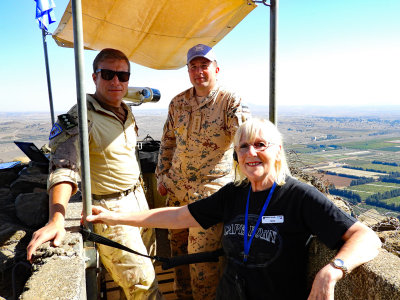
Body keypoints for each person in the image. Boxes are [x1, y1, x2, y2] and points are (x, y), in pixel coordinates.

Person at [87, 118, 381, 300]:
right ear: (236, 156)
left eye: (260, 145)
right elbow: (178, 216)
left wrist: (331, 271)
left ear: (277, 151)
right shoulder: (234, 194)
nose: (251, 153)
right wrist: (115, 216)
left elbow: (366, 237)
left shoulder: (298, 195)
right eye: (243, 147)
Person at [26, 48, 163, 300]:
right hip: (109, 210)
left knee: (144, 273)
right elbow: (63, 167)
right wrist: (56, 219)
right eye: (108, 74)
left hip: (138, 201)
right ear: (94, 77)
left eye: (123, 76)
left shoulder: (123, 108)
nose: (116, 82)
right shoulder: (80, 117)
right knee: (144, 288)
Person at [155, 43, 250, 299]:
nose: (199, 71)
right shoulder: (178, 102)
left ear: (216, 69)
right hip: (176, 192)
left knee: (203, 265)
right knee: (179, 257)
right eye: (194, 66)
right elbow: (168, 142)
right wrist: (162, 176)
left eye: (204, 66)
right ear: (188, 71)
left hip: (209, 194)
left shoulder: (229, 101)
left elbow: (244, 138)